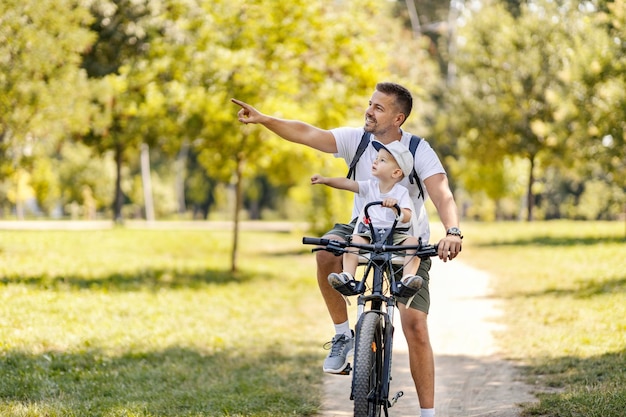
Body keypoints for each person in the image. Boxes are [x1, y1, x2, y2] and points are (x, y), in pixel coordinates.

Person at [232, 82, 462, 417]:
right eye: (370, 104)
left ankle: (428, 414)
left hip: (404, 236)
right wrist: (264, 119)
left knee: (414, 326)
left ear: (398, 118)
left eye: (378, 108)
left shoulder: (417, 149)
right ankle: (342, 335)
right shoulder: (357, 140)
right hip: (364, 228)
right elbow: (307, 133)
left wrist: (452, 231)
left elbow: (441, 193)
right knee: (326, 251)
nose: (369, 111)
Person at [310, 139, 424, 298]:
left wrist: (395, 207)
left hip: (394, 234)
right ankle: (348, 277)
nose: (375, 161)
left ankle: (407, 279)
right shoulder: (370, 186)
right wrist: (325, 180)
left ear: (396, 173)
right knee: (353, 240)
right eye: (376, 158)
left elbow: (407, 217)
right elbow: (347, 183)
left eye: (382, 160)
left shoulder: (401, 192)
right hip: (369, 233)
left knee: (414, 243)